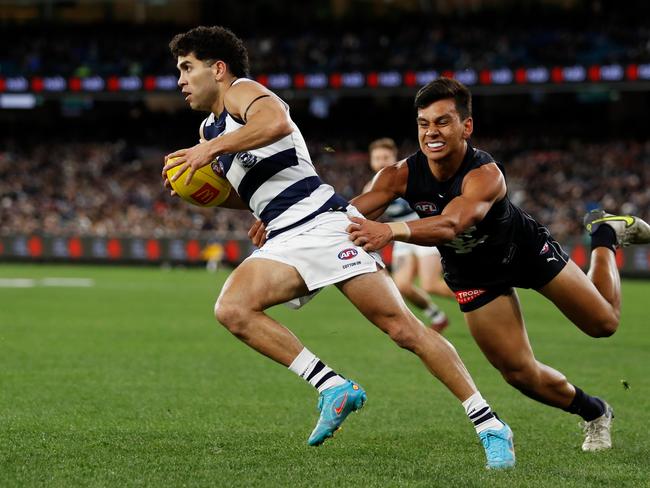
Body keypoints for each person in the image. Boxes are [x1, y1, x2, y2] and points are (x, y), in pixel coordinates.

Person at [162, 26, 515, 469]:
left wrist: (207, 151)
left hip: (327, 224)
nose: (180, 79)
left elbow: (276, 124)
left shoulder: (242, 91)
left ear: (218, 68)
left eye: (186, 68)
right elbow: (252, 186)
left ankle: (490, 425)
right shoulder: (208, 127)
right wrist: (215, 196)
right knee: (232, 309)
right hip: (283, 233)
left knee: (404, 330)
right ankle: (333, 387)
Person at [347, 77, 650, 452]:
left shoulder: (485, 174)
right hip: (473, 274)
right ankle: (595, 412)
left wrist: (390, 230)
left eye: (443, 121)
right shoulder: (398, 176)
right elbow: (347, 213)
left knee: (604, 324)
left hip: (524, 252)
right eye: (424, 124)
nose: (432, 133)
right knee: (518, 373)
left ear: (466, 126)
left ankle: (604, 235)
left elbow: (453, 223)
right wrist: (288, 218)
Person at [367, 137, 453, 332]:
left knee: (430, 284)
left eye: (385, 157)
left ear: (394, 157)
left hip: (423, 230)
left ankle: (481, 297)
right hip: (401, 237)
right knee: (402, 285)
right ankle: (437, 316)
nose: (381, 161)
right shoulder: (371, 188)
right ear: (371, 161)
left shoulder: (407, 176)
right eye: (377, 158)